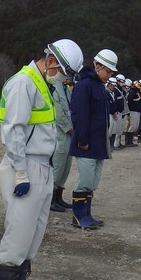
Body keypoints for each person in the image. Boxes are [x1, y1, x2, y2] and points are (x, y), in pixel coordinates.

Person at [0, 39, 84, 280]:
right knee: (19, 229)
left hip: (42, 165)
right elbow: (14, 131)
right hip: (26, 165)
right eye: (64, 73)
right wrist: (20, 172)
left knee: (35, 229)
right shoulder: (24, 83)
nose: (64, 79)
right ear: (52, 62)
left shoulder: (42, 84)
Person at [68, 49, 118, 229]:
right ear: (97, 66)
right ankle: (78, 216)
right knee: (85, 180)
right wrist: (82, 139)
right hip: (86, 143)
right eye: (108, 71)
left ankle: (86, 214)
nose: (110, 74)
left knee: (92, 181)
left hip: (97, 143)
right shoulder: (84, 85)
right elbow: (79, 114)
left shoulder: (99, 86)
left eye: (112, 72)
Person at [50, 76, 75, 212]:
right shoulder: (55, 87)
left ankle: (58, 197)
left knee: (66, 166)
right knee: (58, 166)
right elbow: (58, 113)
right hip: (61, 132)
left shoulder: (66, 88)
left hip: (69, 133)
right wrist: (69, 128)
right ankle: (51, 199)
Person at [125, 80, 141, 147]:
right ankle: (128, 141)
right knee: (132, 126)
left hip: (137, 111)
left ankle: (130, 140)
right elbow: (129, 102)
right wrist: (129, 112)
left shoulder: (136, 92)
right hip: (133, 111)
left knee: (135, 126)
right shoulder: (132, 92)